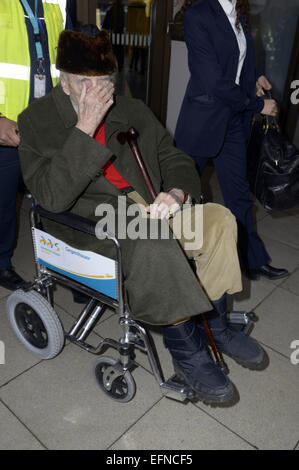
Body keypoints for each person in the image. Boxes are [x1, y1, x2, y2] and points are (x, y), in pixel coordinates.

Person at [18, 25, 267, 405]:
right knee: (149, 234)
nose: (96, 91)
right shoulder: (36, 121)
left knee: (218, 220)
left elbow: (173, 157)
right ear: (63, 81)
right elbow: (50, 197)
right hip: (91, 223)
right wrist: (84, 127)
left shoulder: (131, 108)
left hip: (148, 206)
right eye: (83, 82)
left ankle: (214, 326)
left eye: (103, 80)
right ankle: (187, 351)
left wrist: (178, 192)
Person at [174, 0, 289, 280]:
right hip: (201, 121)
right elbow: (212, 79)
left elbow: (239, 56)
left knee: (239, 196)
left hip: (232, 122)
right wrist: (256, 105)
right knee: (181, 195)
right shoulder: (199, 14)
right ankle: (172, 263)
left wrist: (256, 75)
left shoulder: (240, 13)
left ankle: (251, 259)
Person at [0, 0, 71, 291]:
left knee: (53, 201)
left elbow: (61, 66)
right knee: (2, 204)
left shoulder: (54, 5)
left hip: (45, 128)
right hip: (7, 125)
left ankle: (62, 266)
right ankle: (1, 263)